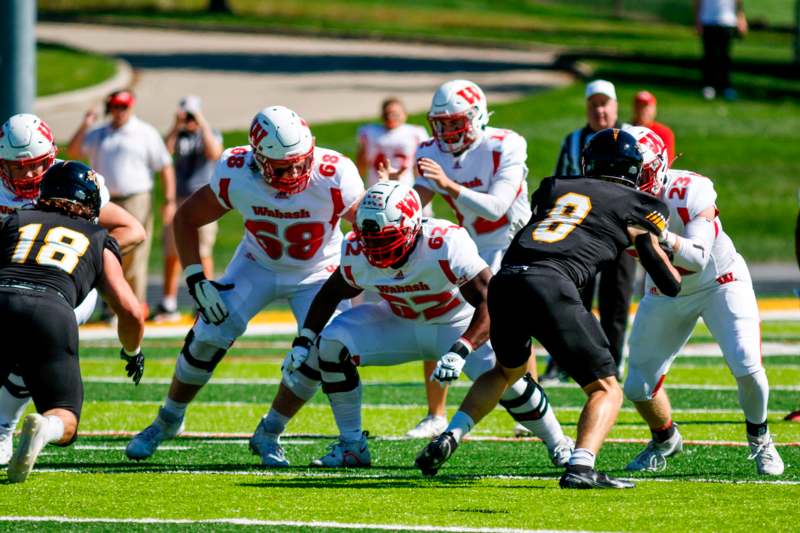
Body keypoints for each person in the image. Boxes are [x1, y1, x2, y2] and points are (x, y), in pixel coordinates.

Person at [416, 128, 682, 489]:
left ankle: (451, 435)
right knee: (606, 388)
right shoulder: (643, 205)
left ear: (589, 163)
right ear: (635, 171)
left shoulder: (555, 186)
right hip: (551, 284)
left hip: (505, 280)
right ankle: (581, 467)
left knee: (506, 371)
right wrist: (654, 243)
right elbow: (669, 283)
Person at [252, 181, 571, 468]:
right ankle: (352, 446)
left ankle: (559, 443)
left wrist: (463, 347)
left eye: (385, 239)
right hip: (399, 321)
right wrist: (304, 339)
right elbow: (331, 292)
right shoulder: (358, 250)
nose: (375, 250)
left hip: (454, 323)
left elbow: (492, 300)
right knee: (332, 342)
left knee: (510, 380)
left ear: (411, 226)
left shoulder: (443, 242)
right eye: (370, 240)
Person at [124, 105, 364, 460]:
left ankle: (270, 432)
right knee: (208, 333)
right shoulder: (237, 172)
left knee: (322, 350)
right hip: (257, 264)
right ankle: (168, 419)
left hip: (318, 272)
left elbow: (367, 233)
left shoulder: (335, 174)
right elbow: (186, 218)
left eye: (302, 161)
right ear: (261, 160)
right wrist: (196, 279)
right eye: (285, 166)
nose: (297, 172)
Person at [623, 126, 784, 476]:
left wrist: (659, 234)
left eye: (633, 170)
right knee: (636, 384)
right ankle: (664, 439)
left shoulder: (688, 189)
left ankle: (761, 440)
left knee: (747, 365)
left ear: (655, 167)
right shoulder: (611, 197)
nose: (626, 179)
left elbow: (696, 257)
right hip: (665, 289)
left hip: (720, 282)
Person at [0, 113, 145, 467]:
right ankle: (23, 425)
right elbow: (130, 309)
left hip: (36, 290)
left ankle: (4, 427)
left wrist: (90, 257)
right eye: (18, 168)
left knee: (22, 352)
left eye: (36, 167)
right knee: (40, 369)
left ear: (51, 163)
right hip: (41, 298)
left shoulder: (65, 183)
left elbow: (133, 228)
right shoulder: (75, 199)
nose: (29, 175)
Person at [409, 79, 540, 439]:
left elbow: (497, 207)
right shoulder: (432, 152)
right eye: (442, 122)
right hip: (469, 244)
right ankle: (435, 413)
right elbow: (417, 197)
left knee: (514, 323)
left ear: (477, 116)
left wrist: (449, 186)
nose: (448, 130)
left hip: (513, 242)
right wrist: (396, 196)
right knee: (439, 313)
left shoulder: (504, 144)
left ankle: (530, 408)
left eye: (456, 122)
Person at [545, 79, 635, 383]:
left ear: (615, 105)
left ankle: (612, 362)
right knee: (572, 298)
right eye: (594, 103)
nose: (600, 109)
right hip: (581, 233)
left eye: (605, 103)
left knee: (616, 300)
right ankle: (568, 362)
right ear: (587, 107)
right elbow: (560, 182)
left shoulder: (633, 137)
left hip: (622, 231)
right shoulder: (573, 141)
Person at [67, 89, 177, 308]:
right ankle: (110, 306)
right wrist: (86, 123)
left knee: (134, 255)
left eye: (123, 107)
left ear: (131, 107)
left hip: (135, 198)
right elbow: (74, 151)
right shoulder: (99, 133)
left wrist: (169, 200)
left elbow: (165, 166)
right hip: (103, 202)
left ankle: (134, 305)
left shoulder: (145, 132)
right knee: (103, 253)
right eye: (116, 106)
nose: (119, 111)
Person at [152, 95, 224, 322]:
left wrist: (202, 123)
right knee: (171, 252)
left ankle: (204, 301)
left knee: (203, 252)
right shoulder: (178, 135)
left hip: (204, 199)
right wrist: (176, 126)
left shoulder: (210, 133)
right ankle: (168, 302)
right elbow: (163, 155)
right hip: (180, 199)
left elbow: (215, 154)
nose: (190, 119)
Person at [356, 98, 428, 190]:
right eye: (387, 114)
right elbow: (361, 162)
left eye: (395, 114)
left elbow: (419, 166)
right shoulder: (369, 132)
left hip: (405, 185)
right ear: (382, 115)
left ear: (404, 114)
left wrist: (421, 188)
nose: (390, 117)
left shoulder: (415, 133)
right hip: (376, 185)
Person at [695, 0, 747, 101]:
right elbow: (697, 2)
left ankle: (726, 86)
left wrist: (741, 18)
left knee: (725, 57)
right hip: (708, 20)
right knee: (709, 55)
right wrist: (697, 20)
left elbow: (739, 2)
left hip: (728, 21)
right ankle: (708, 85)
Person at [631, 91, 675, 163]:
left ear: (654, 109)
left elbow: (667, 161)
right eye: (639, 106)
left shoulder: (664, 133)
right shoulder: (626, 129)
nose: (642, 110)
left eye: (645, 106)